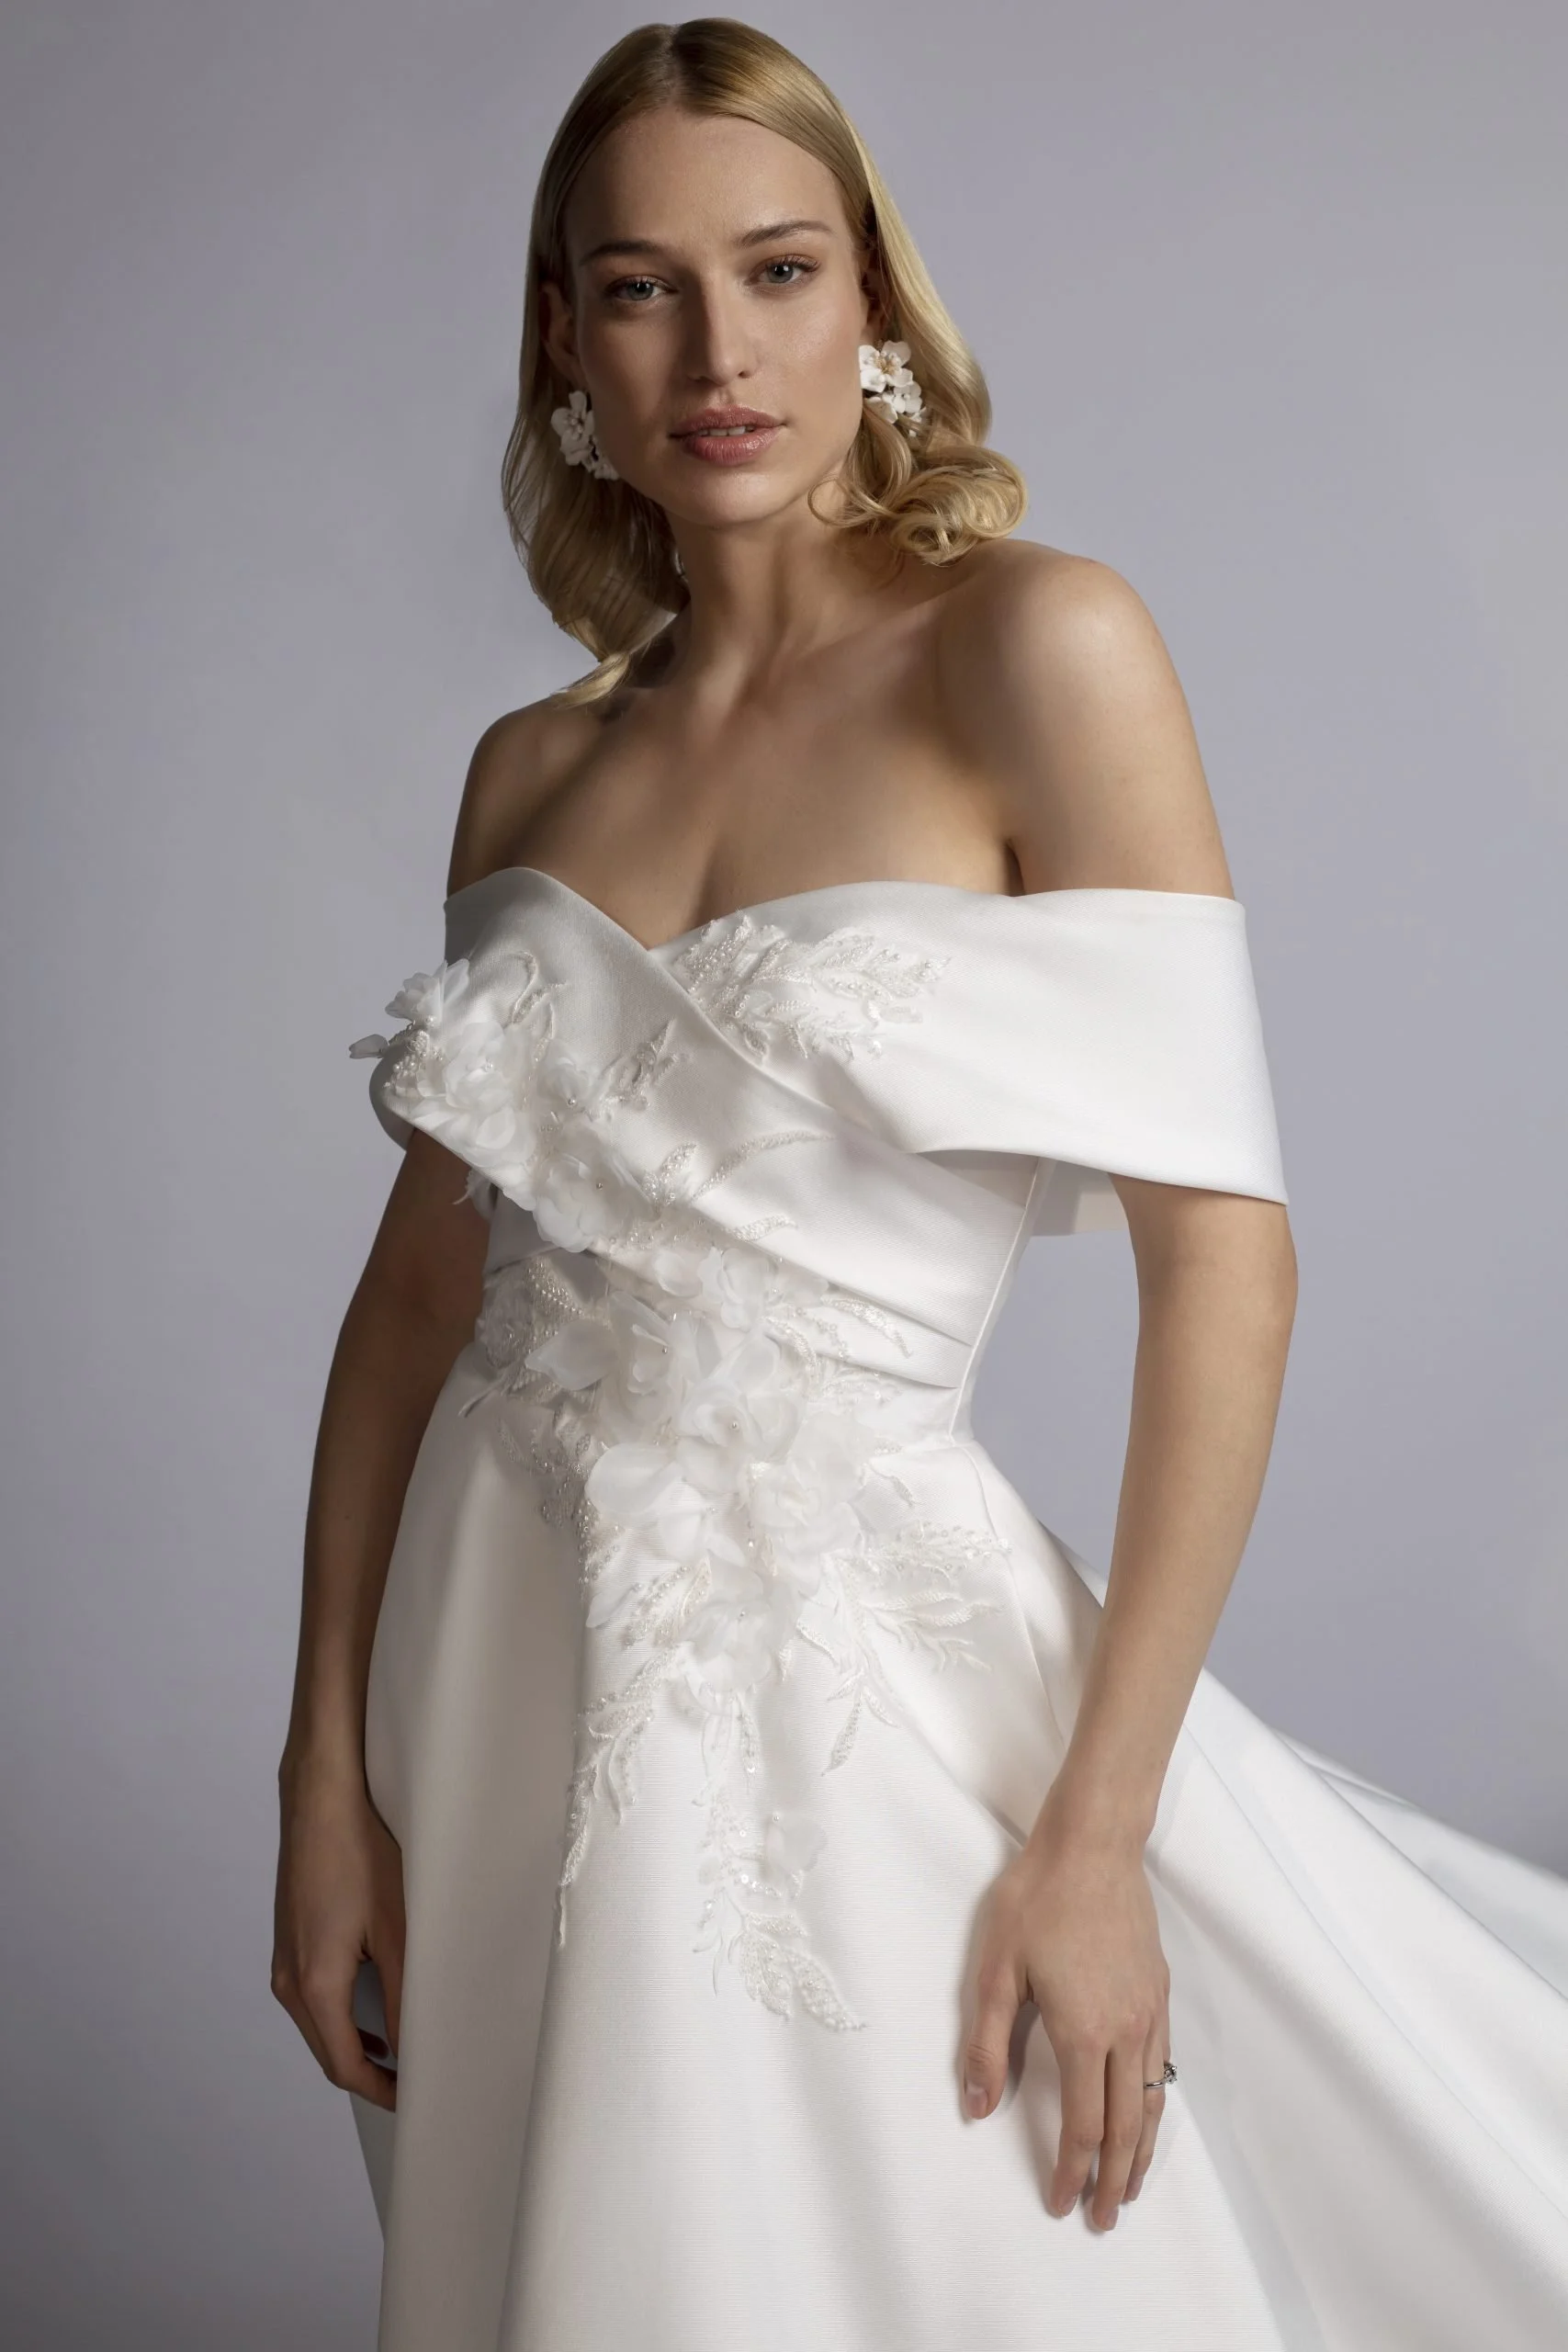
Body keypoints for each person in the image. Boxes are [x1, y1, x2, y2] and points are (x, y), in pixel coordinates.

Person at [271, 19, 1568, 2349]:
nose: (719, 351)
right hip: (489, 1659)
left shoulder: (1037, 651)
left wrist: (1096, 1825)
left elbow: (1225, 1265)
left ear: (871, 293)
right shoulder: (526, 769)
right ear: (563, 336)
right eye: (641, 288)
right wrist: (322, 1764)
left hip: (850, 1664)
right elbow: (413, 1293)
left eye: (776, 269)